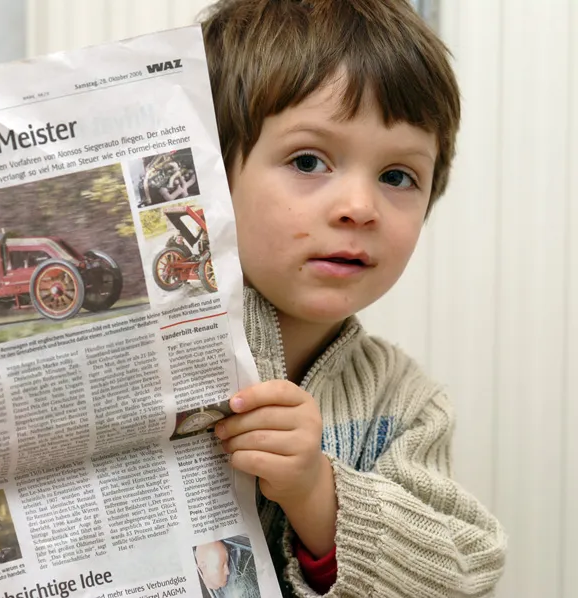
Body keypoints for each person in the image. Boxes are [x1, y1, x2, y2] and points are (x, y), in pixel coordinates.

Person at [198, 1, 507, 596]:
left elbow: (466, 573)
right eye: (309, 160)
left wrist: (317, 493)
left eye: (397, 176)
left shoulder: (408, 402)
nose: (359, 207)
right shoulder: (146, 340)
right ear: (214, 176)